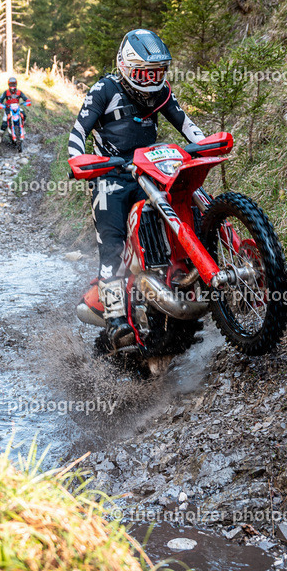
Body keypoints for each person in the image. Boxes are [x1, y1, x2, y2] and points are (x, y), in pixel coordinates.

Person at [67, 28, 206, 345]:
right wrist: (77, 160)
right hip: (110, 175)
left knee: (183, 205)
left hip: (151, 170)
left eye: (156, 73)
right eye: (143, 73)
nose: (150, 81)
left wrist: (203, 144)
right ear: (126, 67)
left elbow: (185, 123)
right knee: (112, 243)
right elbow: (78, 131)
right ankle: (115, 318)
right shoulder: (105, 89)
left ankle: (190, 274)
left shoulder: (160, 93)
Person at [0, 76, 31, 142]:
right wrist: (0, 104)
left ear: (16, 84)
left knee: (23, 115)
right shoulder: (6, 92)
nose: (12, 86)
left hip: (17, 108)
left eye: (14, 84)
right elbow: (0, 100)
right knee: (4, 123)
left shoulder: (19, 92)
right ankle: (0, 136)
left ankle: (22, 128)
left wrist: (27, 102)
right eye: (11, 84)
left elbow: (26, 98)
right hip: (8, 109)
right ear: (8, 84)